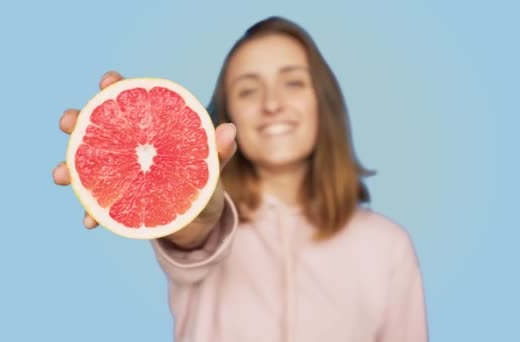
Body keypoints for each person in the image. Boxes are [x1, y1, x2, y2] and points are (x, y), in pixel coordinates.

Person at [52, 16, 428, 342]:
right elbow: (193, 244)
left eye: (293, 82)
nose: (271, 104)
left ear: (322, 102)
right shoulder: (214, 229)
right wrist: (193, 218)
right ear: (228, 116)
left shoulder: (387, 246)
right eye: (248, 89)